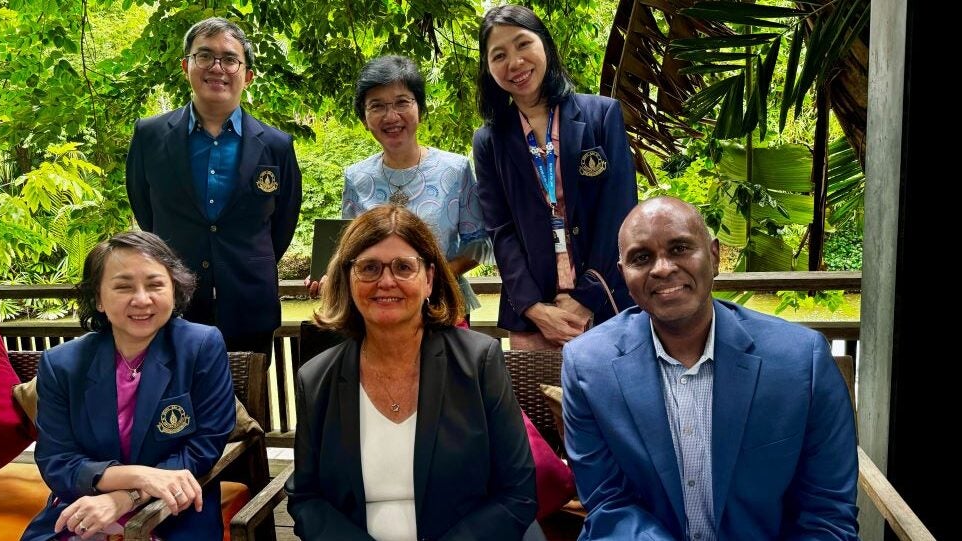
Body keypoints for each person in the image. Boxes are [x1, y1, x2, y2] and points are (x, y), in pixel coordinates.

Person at [561, 196, 859, 540]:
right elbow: (607, 503)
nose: (662, 268)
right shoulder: (587, 366)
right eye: (641, 258)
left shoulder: (801, 361)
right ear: (624, 275)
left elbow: (827, 514)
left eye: (679, 248)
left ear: (714, 256)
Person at [285, 205, 537, 540]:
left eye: (404, 267)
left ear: (429, 279)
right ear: (349, 278)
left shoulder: (479, 362)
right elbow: (307, 499)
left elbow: (516, 492)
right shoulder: (316, 379)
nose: (386, 281)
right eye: (369, 268)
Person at [21, 231, 236, 541]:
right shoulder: (62, 364)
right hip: (85, 506)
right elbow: (57, 461)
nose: (142, 299)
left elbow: (204, 446)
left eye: (155, 284)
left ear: (174, 289)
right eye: (123, 287)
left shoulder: (201, 346)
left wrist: (126, 498)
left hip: (173, 510)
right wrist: (140, 476)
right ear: (97, 298)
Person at [126, 17, 302, 357]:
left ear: (247, 75)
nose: (217, 67)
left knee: (248, 406)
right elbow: (146, 213)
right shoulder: (149, 136)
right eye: (204, 56)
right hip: (174, 307)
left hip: (250, 308)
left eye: (230, 59)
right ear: (186, 66)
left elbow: (282, 226)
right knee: (174, 406)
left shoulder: (277, 146)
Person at [473, 4, 637, 349]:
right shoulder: (489, 140)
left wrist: (586, 298)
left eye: (522, 44)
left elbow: (620, 215)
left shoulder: (601, 116)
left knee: (610, 401)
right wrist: (534, 308)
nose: (514, 62)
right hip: (534, 314)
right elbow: (500, 231)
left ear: (544, 44)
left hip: (606, 301)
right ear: (488, 69)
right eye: (498, 55)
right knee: (536, 402)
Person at [308, 55, 491, 320]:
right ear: (364, 118)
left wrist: (426, 279)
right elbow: (348, 250)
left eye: (402, 102)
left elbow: (479, 243)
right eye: (377, 106)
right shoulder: (356, 177)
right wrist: (329, 276)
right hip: (379, 307)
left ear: (420, 108)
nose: (391, 116)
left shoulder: (455, 169)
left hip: (442, 306)